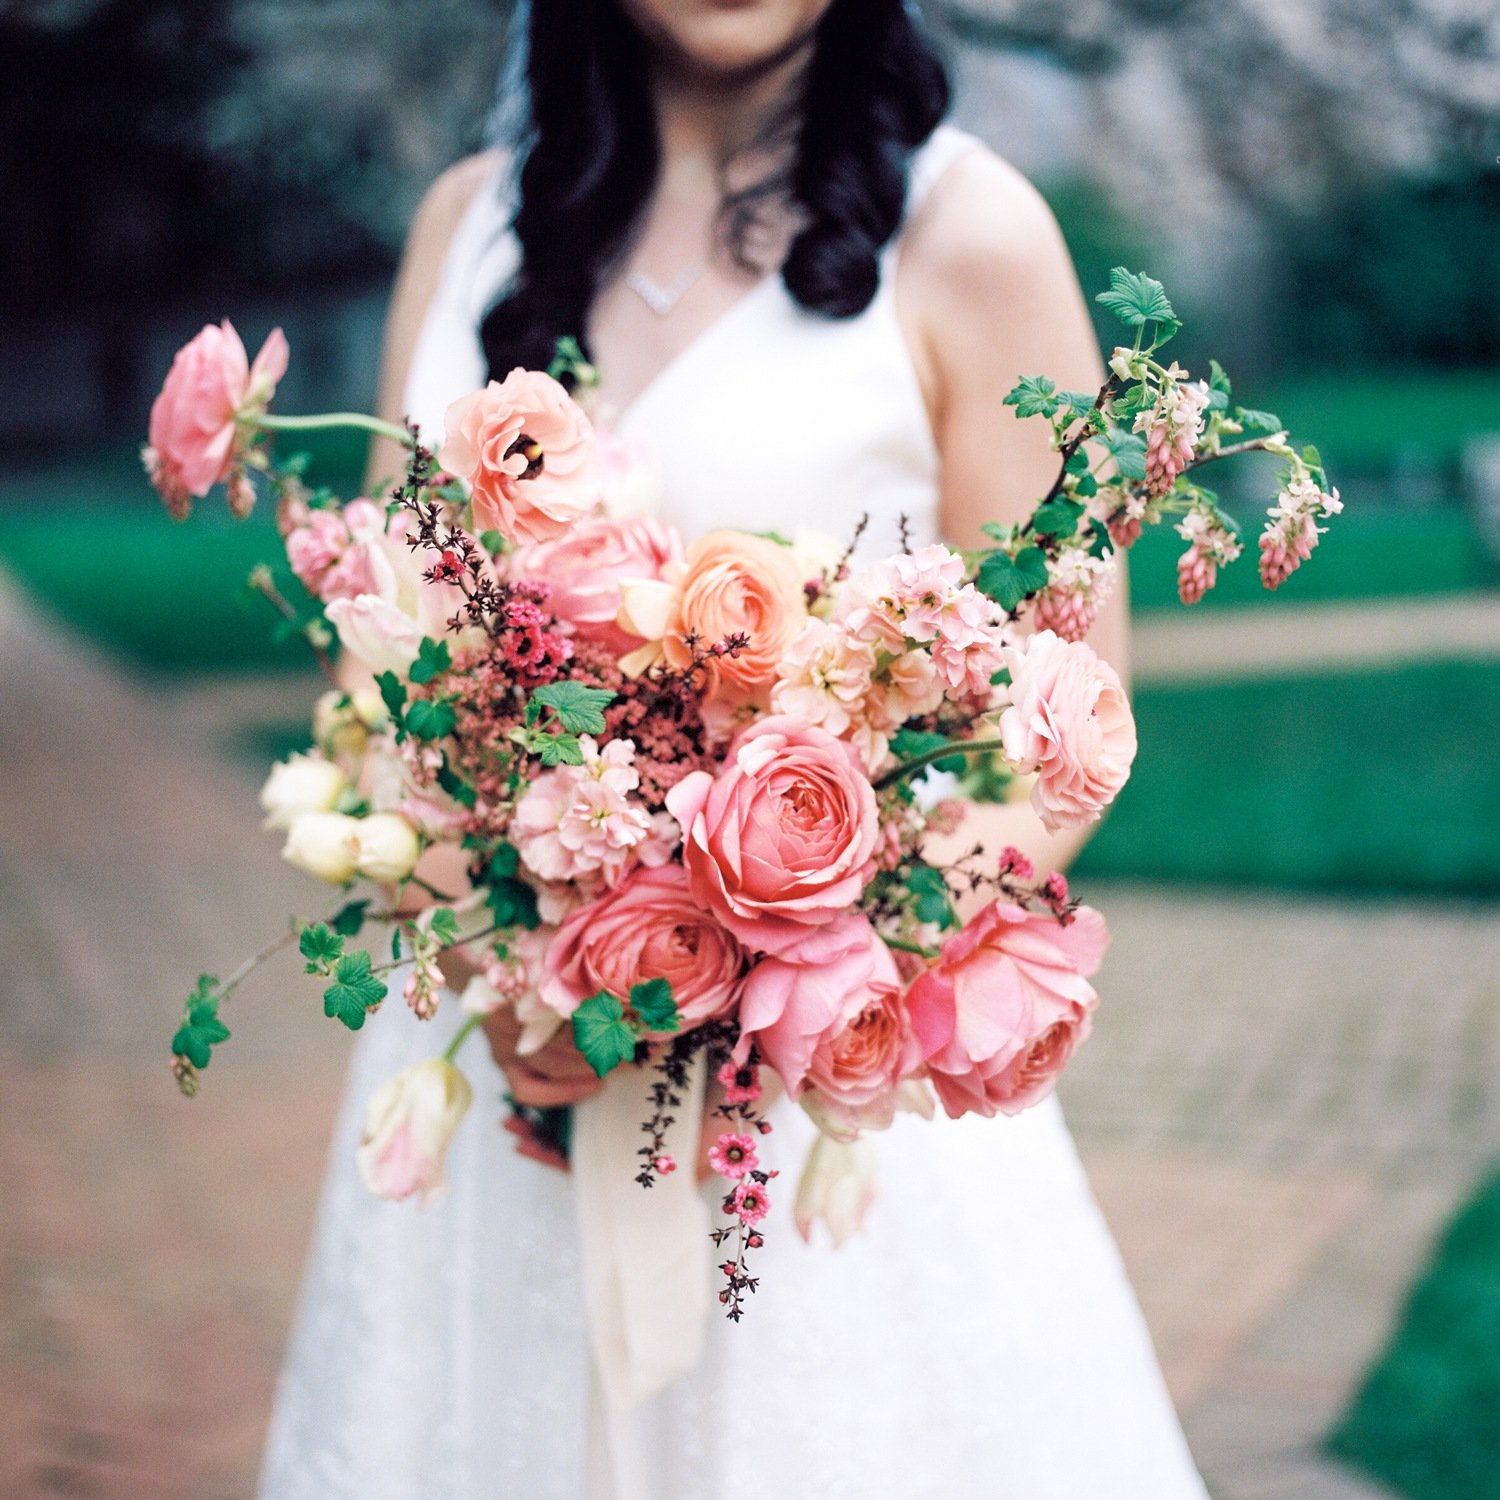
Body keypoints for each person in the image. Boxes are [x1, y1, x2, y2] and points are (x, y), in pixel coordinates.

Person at [259, 3, 1210, 1496]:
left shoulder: (974, 233)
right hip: (502, 1074)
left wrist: (793, 972)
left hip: (827, 1096)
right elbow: (381, 661)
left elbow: (1068, 715)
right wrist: (498, 960)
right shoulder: (464, 229)